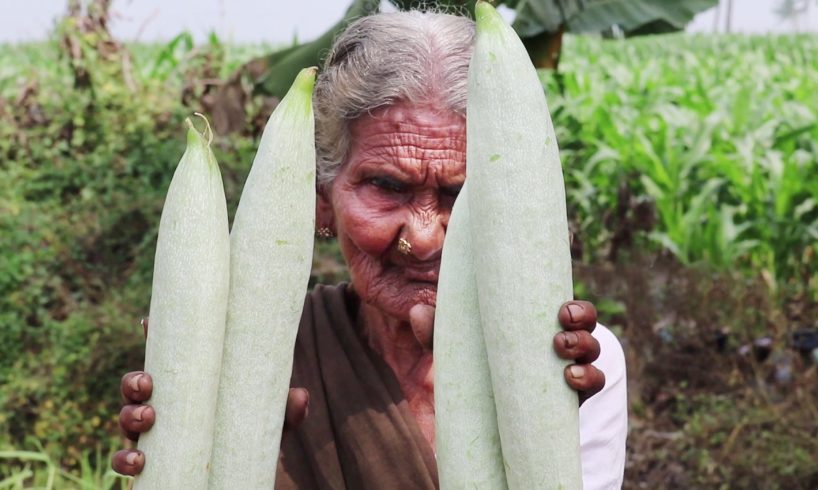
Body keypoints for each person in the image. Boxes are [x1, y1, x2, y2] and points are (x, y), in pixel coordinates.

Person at [113, 10, 627, 489]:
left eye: (456, 194)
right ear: (320, 203)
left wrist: (533, 409)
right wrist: (187, 450)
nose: (423, 236)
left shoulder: (572, 359)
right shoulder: (254, 355)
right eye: (386, 185)